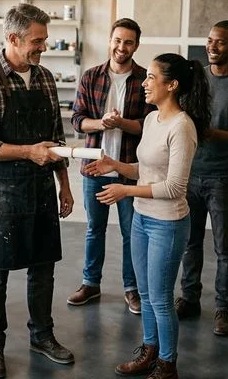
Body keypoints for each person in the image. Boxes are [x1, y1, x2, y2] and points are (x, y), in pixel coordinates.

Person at [0, 3, 75, 379]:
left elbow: (56, 139)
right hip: (0, 193)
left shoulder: (44, 77)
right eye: (37, 41)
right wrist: (29, 152)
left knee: (43, 268)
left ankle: (42, 336)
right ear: (13, 38)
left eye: (43, 40)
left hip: (41, 188)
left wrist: (64, 185)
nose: (42, 48)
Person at [85, 53, 211, 379]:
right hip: (142, 218)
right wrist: (116, 166)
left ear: (172, 85)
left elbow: (173, 186)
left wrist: (125, 191)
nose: (144, 82)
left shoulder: (183, 126)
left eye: (152, 77)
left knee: (160, 298)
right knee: (145, 294)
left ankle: (167, 364)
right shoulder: (153, 119)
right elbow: (147, 169)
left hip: (167, 223)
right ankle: (150, 351)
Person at [175, 20, 228, 336]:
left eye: (221, 42)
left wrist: (214, 134)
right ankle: (189, 298)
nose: (212, 46)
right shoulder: (196, 80)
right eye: (210, 40)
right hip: (190, 173)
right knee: (189, 242)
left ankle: (224, 309)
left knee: (225, 248)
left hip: (224, 178)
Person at [68, 18, 154, 315]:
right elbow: (77, 120)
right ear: (110, 40)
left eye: (128, 42)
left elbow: (148, 124)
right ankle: (90, 283)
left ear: (136, 46)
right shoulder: (91, 76)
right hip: (95, 167)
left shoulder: (146, 79)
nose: (121, 47)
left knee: (133, 232)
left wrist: (121, 123)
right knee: (95, 229)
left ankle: (133, 290)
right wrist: (101, 122)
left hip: (130, 168)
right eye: (117, 40)